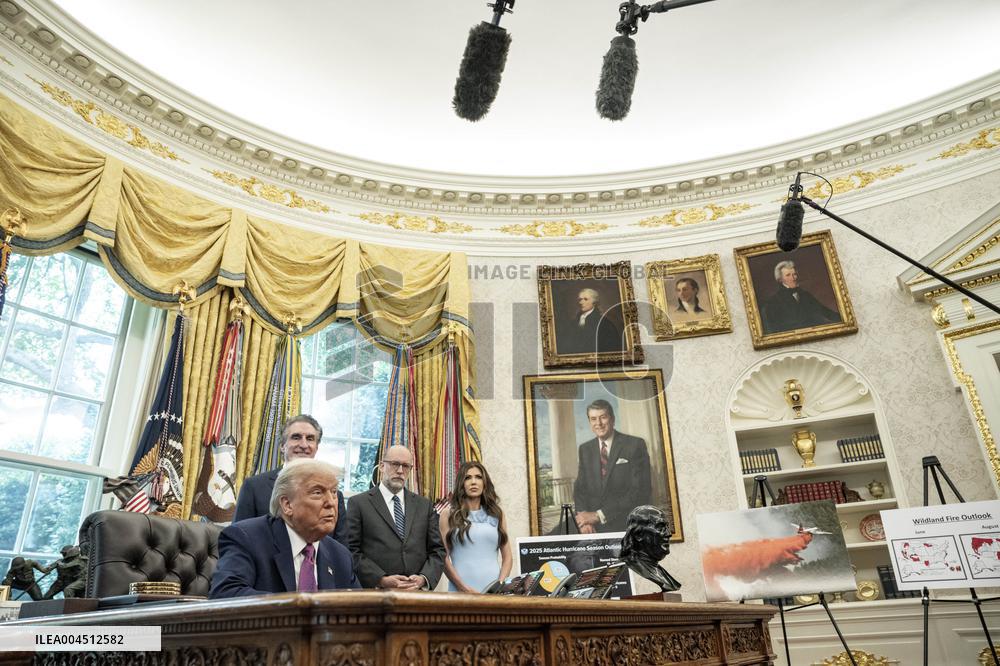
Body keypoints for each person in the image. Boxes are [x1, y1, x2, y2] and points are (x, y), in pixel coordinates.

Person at [209, 458, 360, 598]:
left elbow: (360, 610)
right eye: (317, 492)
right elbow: (225, 593)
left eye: (334, 492)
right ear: (287, 505)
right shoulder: (246, 538)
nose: (331, 502)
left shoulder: (340, 556)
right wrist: (297, 610)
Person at [234, 414, 348, 547]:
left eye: (310, 439)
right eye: (296, 437)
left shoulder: (334, 496)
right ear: (282, 446)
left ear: (316, 447)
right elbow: (239, 538)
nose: (304, 444)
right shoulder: (254, 487)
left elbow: (341, 548)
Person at [346, 445, 445, 590]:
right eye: (394, 464)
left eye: (405, 466)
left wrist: (424, 578)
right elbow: (351, 550)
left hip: (416, 596)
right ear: (381, 466)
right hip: (376, 595)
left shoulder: (424, 506)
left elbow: (438, 551)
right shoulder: (359, 503)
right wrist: (380, 579)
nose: (400, 471)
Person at [573, 399, 651, 534]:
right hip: (590, 523)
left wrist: (598, 515)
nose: (598, 423)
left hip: (623, 521)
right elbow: (580, 489)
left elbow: (640, 491)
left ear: (612, 419)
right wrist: (583, 519)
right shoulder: (585, 449)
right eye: (593, 419)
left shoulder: (634, 445)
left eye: (603, 417)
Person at [439, 461, 512, 593]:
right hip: (460, 592)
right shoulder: (447, 515)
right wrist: (462, 587)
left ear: (484, 483)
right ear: (461, 483)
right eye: (468, 478)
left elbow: (507, 557)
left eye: (478, 477)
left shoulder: (497, 514)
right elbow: (443, 557)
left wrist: (499, 586)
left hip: (494, 593)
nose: (473, 482)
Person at [761, 260, 840, 335]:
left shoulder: (805, 294)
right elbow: (774, 330)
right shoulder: (774, 302)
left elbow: (823, 310)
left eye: (794, 274)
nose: (793, 278)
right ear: (780, 279)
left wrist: (843, 318)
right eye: (788, 275)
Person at [620, 505, 681, 592]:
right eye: (660, 527)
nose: (668, 533)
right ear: (639, 535)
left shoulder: (660, 572)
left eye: (667, 527)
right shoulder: (626, 570)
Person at [557, 287, 622, 355]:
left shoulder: (604, 323)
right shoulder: (573, 323)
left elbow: (611, 347)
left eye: (585, 299)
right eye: (580, 299)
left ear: (594, 302)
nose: (581, 302)